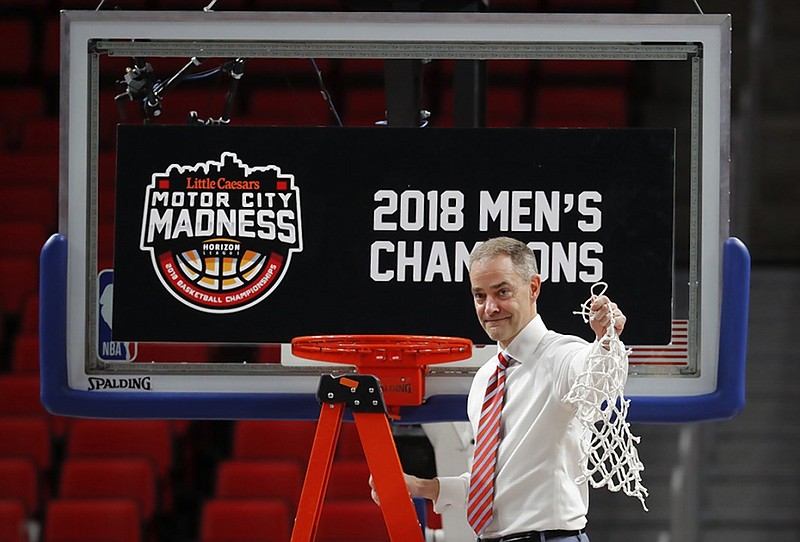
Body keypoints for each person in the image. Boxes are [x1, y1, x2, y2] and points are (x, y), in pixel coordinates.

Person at [370, 236, 626, 542]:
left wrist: (607, 340)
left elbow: (601, 380)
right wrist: (420, 487)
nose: (490, 308)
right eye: (480, 296)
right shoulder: (485, 379)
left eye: (502, 292)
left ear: (533, 288)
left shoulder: (563, 355)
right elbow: (489, 486)